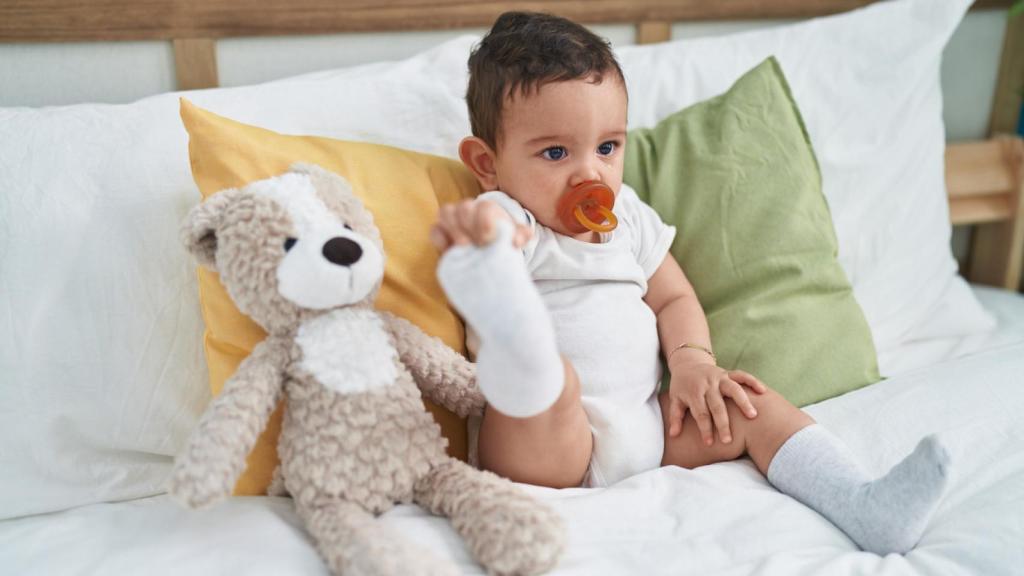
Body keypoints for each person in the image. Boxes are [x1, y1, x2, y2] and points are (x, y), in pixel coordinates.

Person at [430, 11, 949, 555]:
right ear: (487, 163)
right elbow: (497, 224)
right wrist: (488, 240)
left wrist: (693, 362)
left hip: (649, 430)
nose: (591, 174)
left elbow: (674, 296)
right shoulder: (514, 214)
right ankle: (508, 320)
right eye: (556, 153)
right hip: (546, 447)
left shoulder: (628, 217)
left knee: (751, 404)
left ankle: (861, 503)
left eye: (607, 148)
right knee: (553, 384)